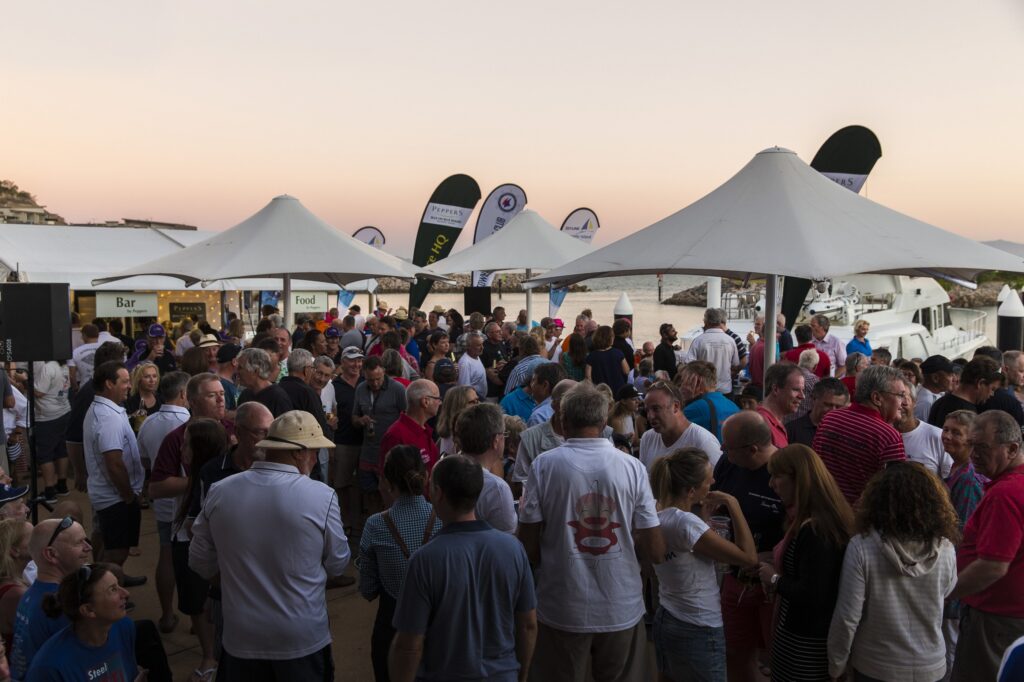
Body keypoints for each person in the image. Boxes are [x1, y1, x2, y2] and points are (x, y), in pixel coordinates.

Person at [518, 382, 664, 681]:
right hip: (620, 605)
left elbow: (529, 546)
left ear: (563, 421)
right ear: (604, 422)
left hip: (562, 604)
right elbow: (655, 549)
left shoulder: (544, 466)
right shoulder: (632, 467)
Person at [189, 410, 349, 681]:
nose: (315, 459)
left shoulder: (221, 490)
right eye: (314, 451)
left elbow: (198, 560)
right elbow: (338, 562)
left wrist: (233, 579)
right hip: (301, 637)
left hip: (241, 635)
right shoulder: (321, 496)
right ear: (299, 452)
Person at [389, 455, 536, 682]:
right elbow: (527, 624)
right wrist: (522, 674)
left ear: (437, 493)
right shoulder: (513, 549)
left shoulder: (424, 560)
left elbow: (409, 645)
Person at [828, 462, 958, 682]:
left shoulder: (862, 547)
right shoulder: (945, 548)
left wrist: (836, 664)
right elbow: (947, 592)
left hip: (875, 666)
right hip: (931, 665)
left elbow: (848, 616)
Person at [649, 448, 758, 682]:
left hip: (668, 615)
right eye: (708, 479)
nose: (714, 482)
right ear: (691, 491)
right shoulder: (686, 523)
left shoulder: (660, 513)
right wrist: (734, 504)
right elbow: (748, 558)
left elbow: (685, 553)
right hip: (698, 624)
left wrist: (704, 522)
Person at [756, 444, 854, 681]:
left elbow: (813, 594)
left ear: (799, 478)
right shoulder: (808, 520)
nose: (771, 484)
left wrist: (773, 578)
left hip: (805, 642)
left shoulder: (815, 529)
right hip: (798, 637)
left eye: (777, 476)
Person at [947, 411, 1024, 681]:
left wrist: (945, 592)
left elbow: (993, 566)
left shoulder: (1006, 493)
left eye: (981, 447)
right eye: (971, 445)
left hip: (996, 619)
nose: (973, 454)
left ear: (1012, 448)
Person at [711, 412, 785, 682]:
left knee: (775, 656)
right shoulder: (730, 463)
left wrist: (774, 557)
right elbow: (714, 505)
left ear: (752, 449)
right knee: (734, 651)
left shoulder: (787, 470)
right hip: (736, 577)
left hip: (772, 584)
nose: (721, 450)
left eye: (727, 446)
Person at [359, 445, 441, 682]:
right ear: (426, 476)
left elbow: (367, 589)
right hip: (437, 627)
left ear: (386, 480)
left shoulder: (375, 525)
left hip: (392, 628)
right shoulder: (443, 520)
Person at [135, 371, 191, 634]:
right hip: (188, 501)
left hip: (164, 504)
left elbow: (145, 462)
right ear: (183, 394)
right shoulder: (191, 421)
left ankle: (167, 614)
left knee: (166, 554)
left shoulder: (149, 423)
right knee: (198, 557)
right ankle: (199, 617)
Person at [10, 517, 93, 680]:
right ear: (51, 554)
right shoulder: (61, 605)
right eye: (79, 543)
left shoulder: (30, 593)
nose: (88, 547)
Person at [25, 563, 137, 681]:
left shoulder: (123, 626)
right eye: (113, 589)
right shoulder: (49, 667)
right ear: (88, 610)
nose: (126, 593)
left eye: (119, 585)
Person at [813, 364, 907, 505]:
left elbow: (814, 463)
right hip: (858, 520)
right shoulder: (889, 436)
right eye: (900, 395)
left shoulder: (830, 418)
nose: (904, 402)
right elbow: (894, 492)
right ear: (877, 398)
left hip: (822, 510)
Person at [83, 362, 145, 568]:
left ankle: (104, 583)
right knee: (117, 552)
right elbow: (114, 464)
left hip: (109, 495)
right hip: (115, 498)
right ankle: (104, 590)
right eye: (125, 381)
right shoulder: (108, 418)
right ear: (109, 383)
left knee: (106, 544)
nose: (129, 386)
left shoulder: (105, 410)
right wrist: (128, 496)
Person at [352, 356, 407, 519]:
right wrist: (361, 420)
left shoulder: (397, 389)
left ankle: (392, 527)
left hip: (391, 452)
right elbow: (353, 417)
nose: (375, 384)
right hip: (368, 450)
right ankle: (374, 524)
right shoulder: (361, 388)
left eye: (378, 379)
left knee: (391, 493)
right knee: (369, 492)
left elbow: (407, 418)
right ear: (364, 376)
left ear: (383, 371)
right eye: (370, 380)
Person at [455, 403, 516, 533]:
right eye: (503, 434)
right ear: (495, 441)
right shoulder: (497, 488)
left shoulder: (443, 469)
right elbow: (507, 537)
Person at [640, 381, 721, 471]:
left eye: (656, 409)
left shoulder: (703, 441)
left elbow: (718, 481)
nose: (650, 416)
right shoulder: (647, 438)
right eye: (647, 410)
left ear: (675, 406)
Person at [331, 347, 364, 534]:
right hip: (343, 441)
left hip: (365, 442)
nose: (356, 365)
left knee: (361, 485)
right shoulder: (334, 386)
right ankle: (344, 521)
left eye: (359, 360)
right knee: (342, 483)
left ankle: (358, 521)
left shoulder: (366, 382)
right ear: (343, 362)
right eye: (352, 360)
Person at [378, 379, 441, 476]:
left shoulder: (424, 430)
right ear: (425, 402)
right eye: (437, 398)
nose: (440, 403)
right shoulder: (396, 435)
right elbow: (387, 480)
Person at [31, 359, 72, 503]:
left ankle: (49, 491)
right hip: (64, 411)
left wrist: (24, 380)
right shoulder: (64, 366)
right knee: (61, 449)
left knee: (45, 453)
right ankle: (62, 484)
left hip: (48, 416)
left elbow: (38, 392)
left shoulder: (48, 367)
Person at [896, 378, 954, 478]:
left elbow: (948, 478)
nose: (899, 404)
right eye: (894, 398)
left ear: (914, 402)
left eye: (903, 397)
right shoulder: (880, 435)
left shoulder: (937, 436)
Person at [927, 355, 1002, 427]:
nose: (992, 394)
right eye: (992, 389)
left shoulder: (940, 402)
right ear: (980, 383)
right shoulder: (967, 415)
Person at [677, 360, 740, 442]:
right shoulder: (733, 406)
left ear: (697, 382)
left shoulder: (696, 409)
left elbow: (667, 432)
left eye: (683, 381)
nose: (681, 387)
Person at [686, 309, 741, 394]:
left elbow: (689, 365)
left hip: (704, 389)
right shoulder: (730, 341)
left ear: (706, 322)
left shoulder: (698, 341)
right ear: (720, 322)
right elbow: (736, 364)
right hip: (725, 389)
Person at [785, 377, 849, 448]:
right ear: (813, 399)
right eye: (827, 405)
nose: (833, 411)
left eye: (838, 407)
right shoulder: (791, 431)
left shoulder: (847, 433)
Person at [0, 518, 32, 658]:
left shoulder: (15, 580)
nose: (39, 539)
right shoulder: (16, 594)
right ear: (14, 550)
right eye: (33, 536)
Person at [756, 363, 804, 448]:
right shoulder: (761, 424)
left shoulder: (773, 420)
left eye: (802, 390)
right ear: (775, 389)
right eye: (796, 390)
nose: (802, 396)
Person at [235, 348, 293, 417]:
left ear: (255, 371)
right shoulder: (245, 395)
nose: (237, 372)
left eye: (240, 368)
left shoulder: (278, 398)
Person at [434, 385, 479, 457]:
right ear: (458, 406)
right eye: (472, 402)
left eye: (477, 400)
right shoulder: (456, 437)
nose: (478, 405)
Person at [584, 325, 629, 394]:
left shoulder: (591, 356)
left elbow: (588, 378)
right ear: (610, 338)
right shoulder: (618, 353)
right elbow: (626, 371)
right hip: (618, 390)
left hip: (601, 392)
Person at [526, 362, 566, 427]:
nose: (531, 385)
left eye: (533, 380)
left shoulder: (538, 417)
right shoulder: (569, 408)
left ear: (545, 385)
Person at [917, 355, 956, 421]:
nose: (954, 379)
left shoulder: (937, 394)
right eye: (950, 375)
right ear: (935, 378)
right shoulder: (926, 402)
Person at [125, 361, 161, 433]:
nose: (152, 380)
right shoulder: (129, 402)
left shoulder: (162, 399)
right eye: (147, 376)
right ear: (139, 379)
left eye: (154, 376)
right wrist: (132, 417)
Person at [608, 385, 644, 454]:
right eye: (633, 399)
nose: (638, 402)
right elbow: (619, 450)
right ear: (623, 401)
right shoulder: (617, 422)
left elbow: (635, 442)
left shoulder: (632, 415)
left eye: (637, 398)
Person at [456, 332, 487, 400]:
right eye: (478, 345)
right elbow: (465, 388)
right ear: (469, 346)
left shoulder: (476, 356)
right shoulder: (465, 363)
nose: (482, 347)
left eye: (482, 344)